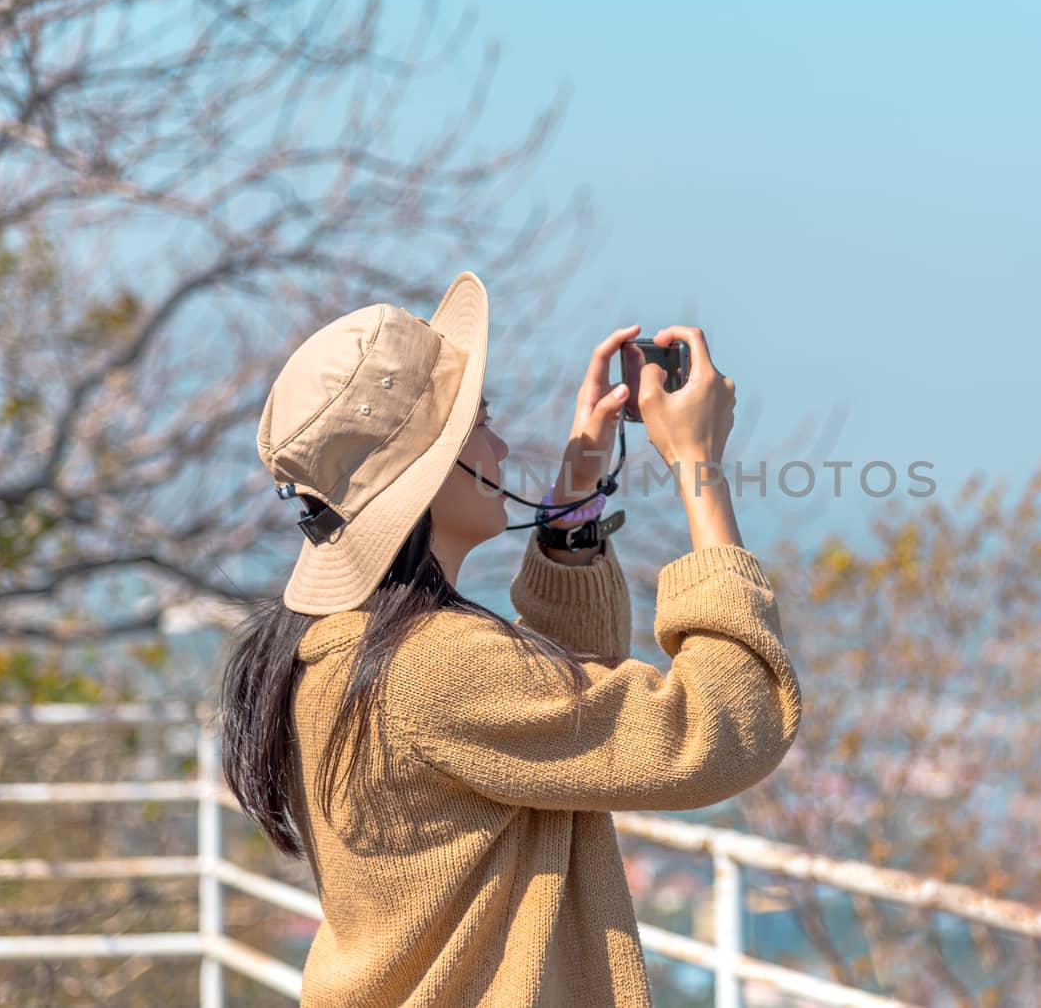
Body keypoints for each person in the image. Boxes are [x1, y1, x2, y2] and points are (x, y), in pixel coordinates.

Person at [219, 272, 802, 1007]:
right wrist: (699, 469)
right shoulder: (433, 665)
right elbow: (723, 730)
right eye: (480, 423)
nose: (499, 446)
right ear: (431, 470)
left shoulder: (341, 646)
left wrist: (578, 484)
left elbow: (555, 715)